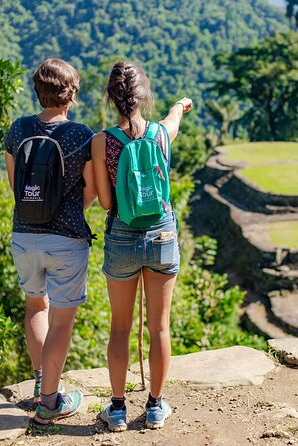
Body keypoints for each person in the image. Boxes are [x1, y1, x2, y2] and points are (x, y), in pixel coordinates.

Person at [91, 61, 192, 432]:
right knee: (160, 328)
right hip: (162, 234)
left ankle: (117, 409)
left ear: (111, 98)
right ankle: (154, 407)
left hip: (121, 236)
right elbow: (173, 117)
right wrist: (181, 104)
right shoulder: (162, 135)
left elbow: (104, 202)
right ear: (143, 96)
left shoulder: (102, 142)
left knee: (120, 329)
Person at [5, 58, 96, 424]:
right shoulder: (81, 135)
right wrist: (67, 207)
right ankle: (49, 403)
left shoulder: (19, 129)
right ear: (71, 94)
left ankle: (43, 382)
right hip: (67, 237)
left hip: (24, 235)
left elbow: (15, 185)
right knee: (61, 321)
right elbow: (89, 190)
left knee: (35, 308)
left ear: (37, 90)